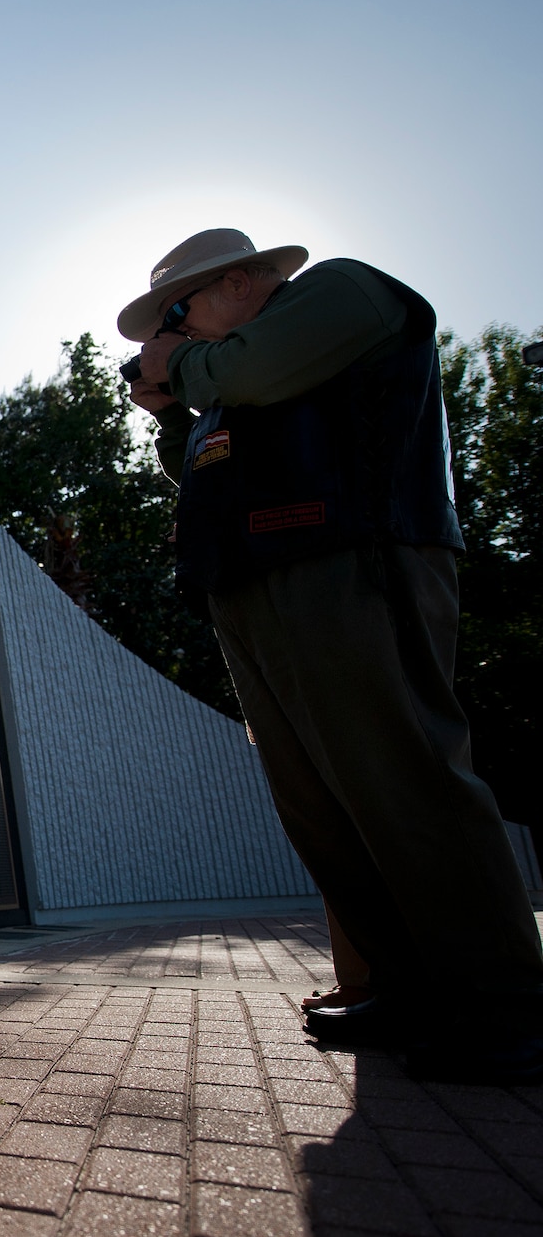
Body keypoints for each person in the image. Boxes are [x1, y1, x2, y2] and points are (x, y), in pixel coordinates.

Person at [120, 228, 543, 1083]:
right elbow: (212, 467)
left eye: (176, 312)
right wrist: (173, 412)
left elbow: (248, 376)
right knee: (321, 801)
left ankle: (508, 1006)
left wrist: (185, 372)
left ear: (241, 281)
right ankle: (403, 985)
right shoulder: (229, 371)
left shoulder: (340, 294)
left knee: (403, 776)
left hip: (353, 561)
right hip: (252, 581)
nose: (170, 335)